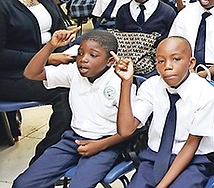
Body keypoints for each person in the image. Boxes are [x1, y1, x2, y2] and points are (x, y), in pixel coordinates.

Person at [14, 29, 131, 188]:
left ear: (110, 60)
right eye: (80, 53)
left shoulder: (119, 81)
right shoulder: (74, 72)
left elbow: (132, 129)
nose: (83, 60)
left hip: (107, 144)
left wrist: (100, 145)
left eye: (93, 55)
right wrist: (50, 46)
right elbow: (31, 73)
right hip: (73, 139)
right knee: (23, 184)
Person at [0, 0, 72, 160]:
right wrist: (47, 58)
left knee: (93, 75)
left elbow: (58, 23)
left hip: (50, 57)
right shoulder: (2, 1)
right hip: (13, 74)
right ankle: (45, 159)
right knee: (67, 94)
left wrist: (65, 43)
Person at [114, 36, 214, 188]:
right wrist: (126, 82)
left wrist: (162, 186)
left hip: (192, 160)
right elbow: (125, 130)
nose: (168, 66)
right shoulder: (151, 86)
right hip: (153, 158)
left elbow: (192, 144)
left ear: (191, 63)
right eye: (161, 61)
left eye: (176, 59)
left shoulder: (206, 94)